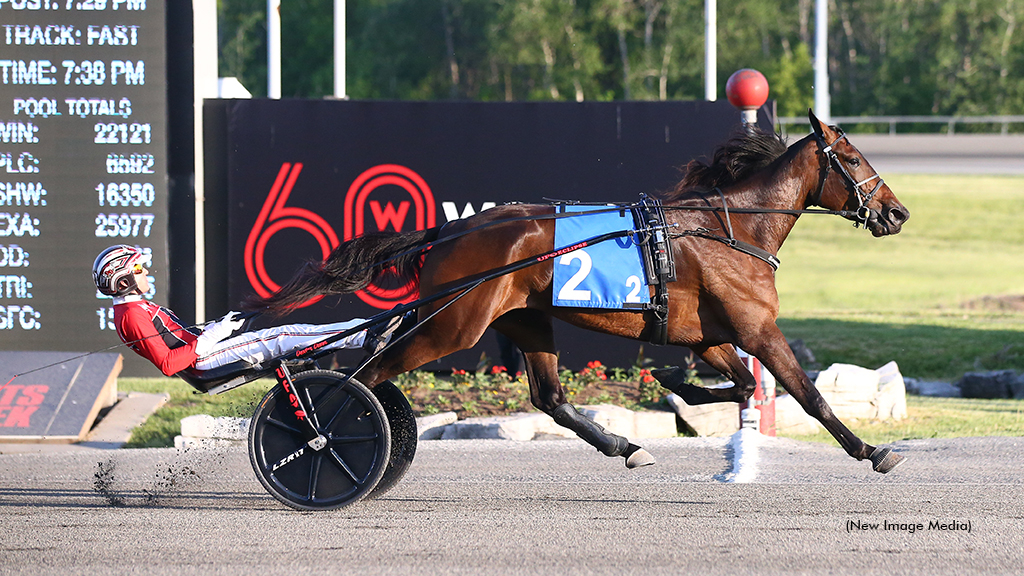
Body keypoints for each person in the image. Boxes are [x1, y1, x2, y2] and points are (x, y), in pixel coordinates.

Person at [93, 245, 401, 377]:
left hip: (205, 351)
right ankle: (365, 334)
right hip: (204, 361)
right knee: (284, 335)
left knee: (282, 334)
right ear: (122, 280)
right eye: (137, 268)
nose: (145, 271)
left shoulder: (132, 308)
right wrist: (214, 334)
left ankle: (364, 331)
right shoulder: (132, 315)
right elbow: (168, 364)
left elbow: (174, 338)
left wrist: (216, 328)